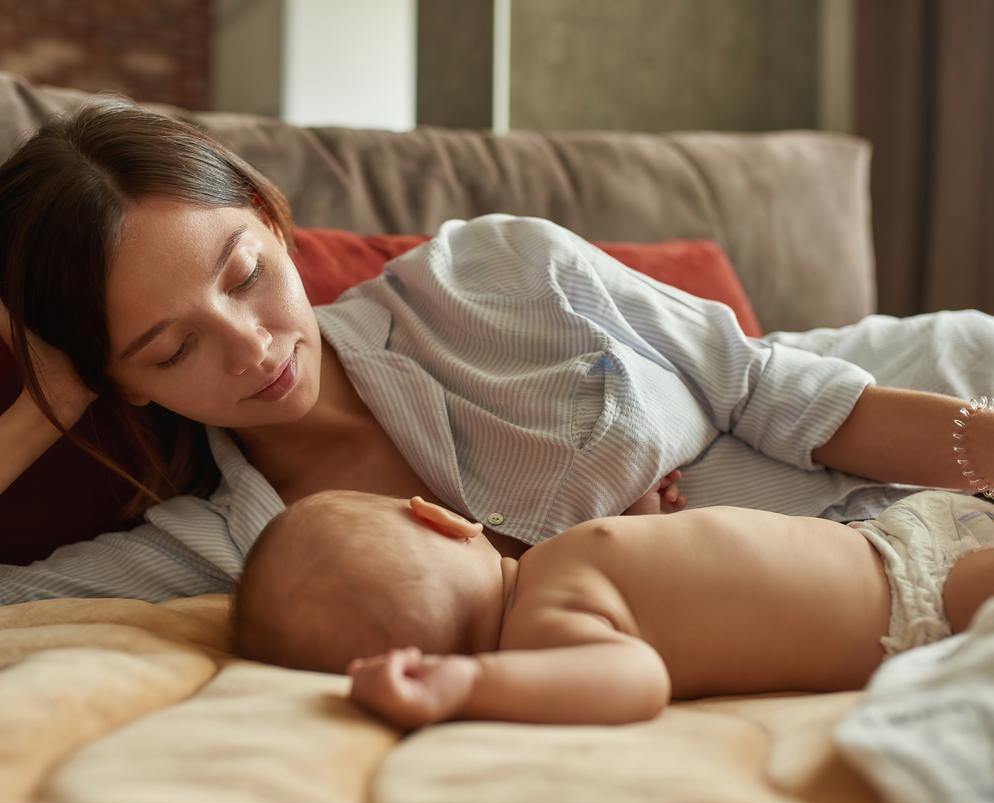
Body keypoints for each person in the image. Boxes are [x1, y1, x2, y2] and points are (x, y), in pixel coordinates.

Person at [2, 98, 994, 604]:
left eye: (244, 272)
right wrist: (33, 409)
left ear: (268, 216)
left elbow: (773, 389)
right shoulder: (234, 549)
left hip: (937, 397)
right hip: (880, 585)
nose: (253, 345)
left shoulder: (492, 271)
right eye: (170, 350)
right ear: (116, 382)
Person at [231, 489, 994, 728]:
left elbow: (673, 583)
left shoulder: (549, 574)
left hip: (893, 535)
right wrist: (467, 688)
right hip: (910, 596)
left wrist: (642, 513)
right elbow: (636, 676)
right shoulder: (540, 629)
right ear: (439, 517)